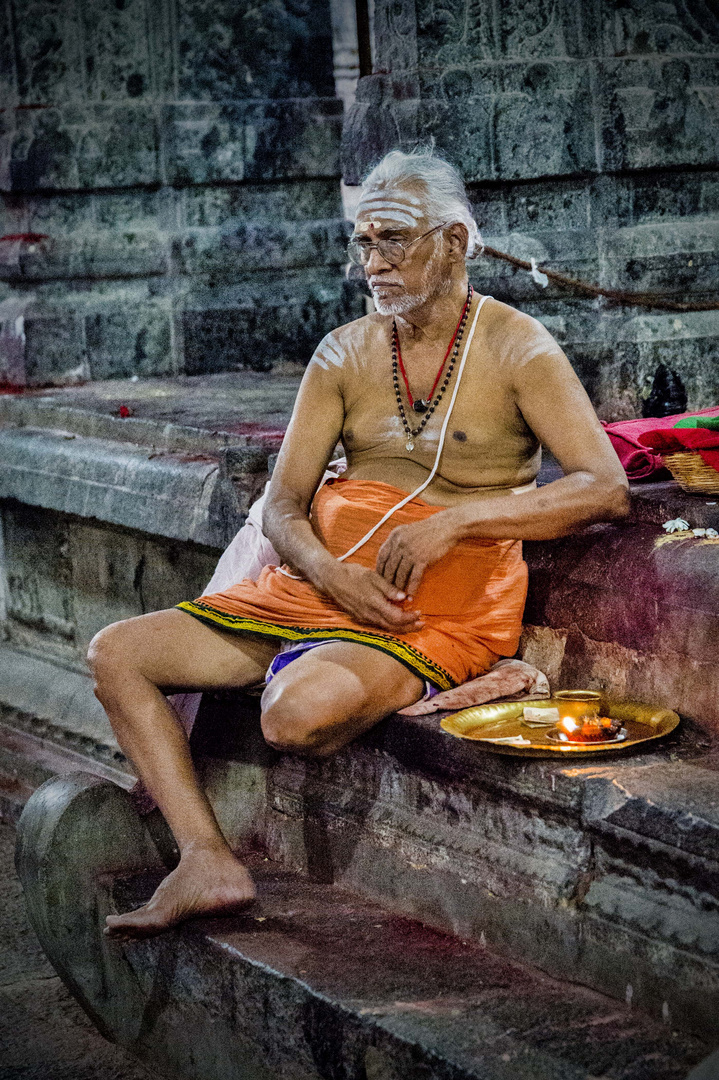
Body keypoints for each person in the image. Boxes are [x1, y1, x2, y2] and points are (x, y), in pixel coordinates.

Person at [88, 149, 629, 938]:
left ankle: (379, 674)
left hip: (432, 609)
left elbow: (603, 488)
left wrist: (457, 520)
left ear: (452, 241)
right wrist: (323, 570)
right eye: (363, 242)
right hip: (315, 589)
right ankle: (204, 859)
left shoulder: (518, 347)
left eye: (393, 240)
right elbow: (281, 503)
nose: (372, 262)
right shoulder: (342, 352)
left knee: (294, 718)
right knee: (117, 652)